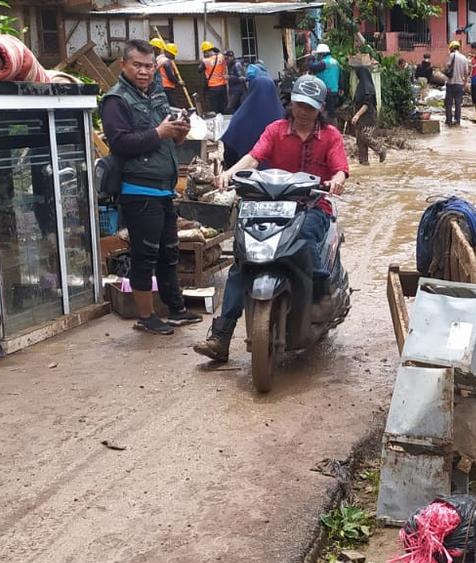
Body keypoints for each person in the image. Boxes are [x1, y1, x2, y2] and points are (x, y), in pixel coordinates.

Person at [194, 76, 350, 362]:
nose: (303, 111)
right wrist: (229, 173)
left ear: (320, 108)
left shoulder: (330, 136)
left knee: (305, 238)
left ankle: (321, 293)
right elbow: (254, 158)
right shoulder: (275, 130)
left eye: (310, 107)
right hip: (271, 205)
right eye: (299, 104)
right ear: (290, 102)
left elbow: (340, 169)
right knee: (242, 260)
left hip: (312, 205)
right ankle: (221, 335)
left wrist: (337, 180)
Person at [101, 38, 199, 335]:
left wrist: (178, 133)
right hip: (138, 190)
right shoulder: (115, 100)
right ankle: (146, 317)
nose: (144, 72)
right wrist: (159, 132)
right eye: (138, 65)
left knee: (169, 251)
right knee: (145, 256)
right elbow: (120, 143)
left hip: (163, 189)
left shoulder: (154, 94)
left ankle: (176, 308)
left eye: (149, 66)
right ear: (124, 65)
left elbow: (166, 139)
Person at [221, 71, 282, 167]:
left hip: (245, 174)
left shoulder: (239, 118)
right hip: (280, 176)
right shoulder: (284, 118)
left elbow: (229, 152)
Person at [351, 63, 387, 164]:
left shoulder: (367, 86)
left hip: (368, 117)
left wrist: (357, 115)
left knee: (365, 136)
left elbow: (367, 103)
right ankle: (363, 163)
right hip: (360, 118)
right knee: (360, 142)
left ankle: (380, 149)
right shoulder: (361, 85)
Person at [150, 38, 184, 108]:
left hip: (159, 86)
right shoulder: (166, 61)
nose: (174, 56)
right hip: (167, 86)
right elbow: (170, 76)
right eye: (173, 54)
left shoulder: (158, 59)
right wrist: (178, 82)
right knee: (172, 105)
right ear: (168, 52)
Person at [444, 40, 469, 127]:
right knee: (458, 103)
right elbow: (466, 73)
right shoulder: (464, 58)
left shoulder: (452, 55)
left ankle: (449, 120)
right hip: (460, 84)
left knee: (449, 103)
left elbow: (447, 66)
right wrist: (465, 84)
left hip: (451, 83)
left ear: (451, 48)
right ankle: (457, 121)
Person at [201, 40, 228, 115]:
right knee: (223, 106)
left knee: (214, 108)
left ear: (207, 51)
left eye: (204, 52)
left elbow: (199, 70)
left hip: (213, 87)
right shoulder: (221, 57)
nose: (204, 54)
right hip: (223, 86)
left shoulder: (206, 61)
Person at [314, 43, 342, 115]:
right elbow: (340, 76)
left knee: (325, 113)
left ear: (322, 54)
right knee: (331, 112)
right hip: (334, 90)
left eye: (319, 54)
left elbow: (312, 67)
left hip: (326, 91)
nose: (318, 56)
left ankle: (328, 125)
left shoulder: (324, 63)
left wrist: (311, 59)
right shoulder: (335, 62)